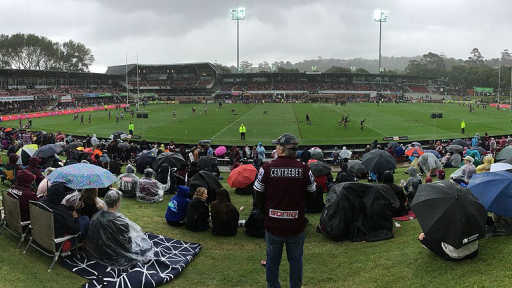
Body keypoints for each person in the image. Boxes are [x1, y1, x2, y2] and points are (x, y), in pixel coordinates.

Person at [254, 133, 316, 288]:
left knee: (272, 260)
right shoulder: (304, 169)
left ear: (281, 149)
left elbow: (258, 196)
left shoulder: (267, 168)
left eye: (277, 145)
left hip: (273, 226)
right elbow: (312, 194)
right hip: (295, 226)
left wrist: (267, 213)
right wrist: (299, 209)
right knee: (295, 261)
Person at [87, 190, 154, 269]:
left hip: (99, 253)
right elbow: (127, 245)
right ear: (117, 203)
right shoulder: (120, 222)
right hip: (116, 256)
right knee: (146, 246)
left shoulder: (96, 216)